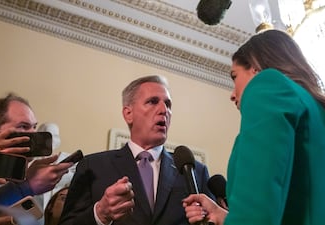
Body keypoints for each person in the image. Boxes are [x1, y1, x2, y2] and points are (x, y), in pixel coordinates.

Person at [182, 29, 325, 225]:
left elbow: (256, 213)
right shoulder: (323, 117)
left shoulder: (266, 85)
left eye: (234, 77)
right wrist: (225, 217)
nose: (232, 94)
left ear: (255, 68)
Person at [59, 75, 212, 225]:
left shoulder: (195, 171)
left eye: (168, 104)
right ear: (128, 114)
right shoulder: (92, 166)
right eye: (153, 102)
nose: (164, 110)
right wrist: (100, 214)